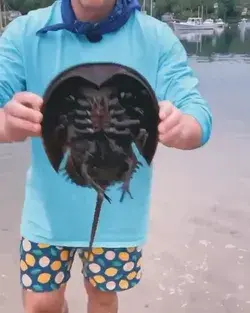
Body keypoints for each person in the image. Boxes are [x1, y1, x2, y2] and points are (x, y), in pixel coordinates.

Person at [0, 0, 212, 312]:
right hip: (47, 214)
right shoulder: (26, 33)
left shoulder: (156, 38)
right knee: (41, 304)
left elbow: (197, 112)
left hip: (118, 222)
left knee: (102, 298)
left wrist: (185, 127)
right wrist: (7, 123)